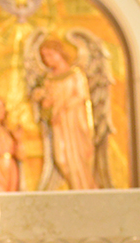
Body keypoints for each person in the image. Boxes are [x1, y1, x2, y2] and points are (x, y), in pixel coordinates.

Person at [31, 38, 97, 190]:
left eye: (50, 55)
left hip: (73, 122)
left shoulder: (75, 74)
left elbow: (80, 96)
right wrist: (43, 99)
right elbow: (48, 99)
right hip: (58, 124)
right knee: (61, 158)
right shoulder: (49, 78)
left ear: (59, 53)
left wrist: (62, 109)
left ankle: (84, 191)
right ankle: (74, 191)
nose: (47, 60)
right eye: (44, 57)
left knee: (78, 159)